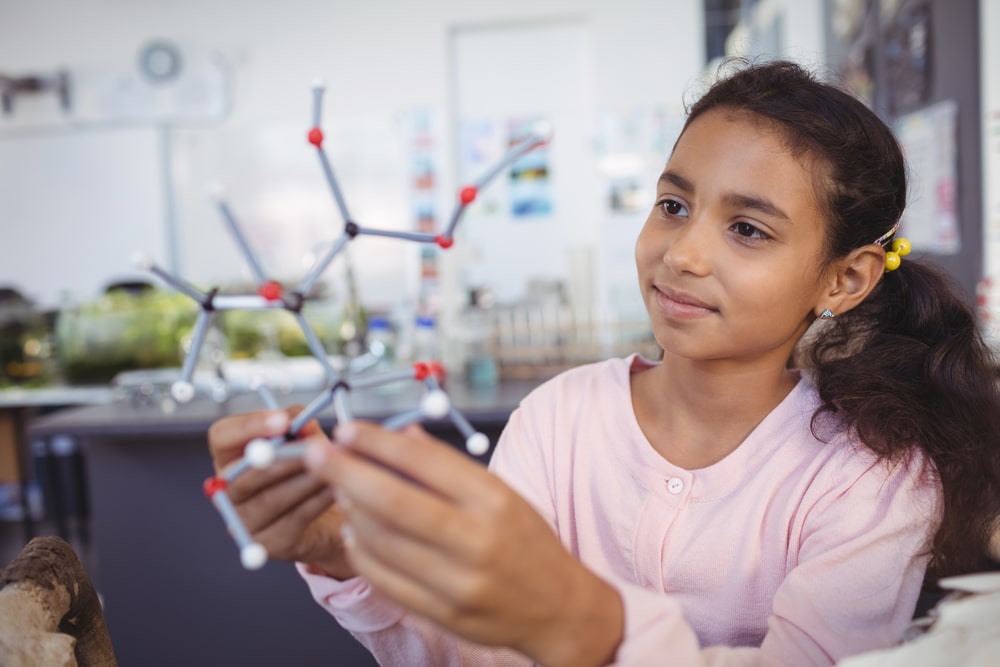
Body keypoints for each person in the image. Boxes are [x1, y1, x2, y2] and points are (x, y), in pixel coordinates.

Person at [207, 59, 1000, 666]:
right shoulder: (559, 419)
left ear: (844, 278)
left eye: (748, 230)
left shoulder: (874, 475)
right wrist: (346, 554)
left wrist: (585, 623)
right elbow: (468, 651)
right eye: (674, 205)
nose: (683, 253)